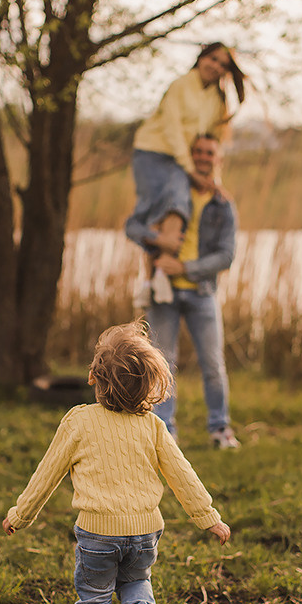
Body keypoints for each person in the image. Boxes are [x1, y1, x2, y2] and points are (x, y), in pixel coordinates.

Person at [2, 320, 231, 604]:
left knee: (93, 597)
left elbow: (47, 474)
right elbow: (182, 475)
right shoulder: (154, 426)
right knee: (137, 581)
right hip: (145, 531)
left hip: (97, 532)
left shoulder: (79, 420)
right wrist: (209, 518)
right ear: (149, 387)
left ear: (93, 377)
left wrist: (20, 515)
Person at [126, 133, 240, 449]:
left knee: (214, 365)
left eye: (209, 152)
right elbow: (132, 227)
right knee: (163, 364)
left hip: (202, 293)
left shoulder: (223, 204)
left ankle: (220, 429)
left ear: (218, 159)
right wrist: (157, 239)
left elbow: (226, 255)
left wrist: (186, 268)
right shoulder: (168, 194)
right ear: (190, 157)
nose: (204, 157)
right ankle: (165, 433)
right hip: (165, 294)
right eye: (198, 152)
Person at [125, 42, 245, 303]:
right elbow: (172, 130)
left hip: (181, 160)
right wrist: (189, 169)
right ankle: (149, 279)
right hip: (153, 153)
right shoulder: (180, 85)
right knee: (154, 212)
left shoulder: (216, 98)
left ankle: (159, 275)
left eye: (222, 65)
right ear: (201, 57)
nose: (215, 66)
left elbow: (210, 140)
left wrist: (214, 182)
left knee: (178, 207)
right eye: (212, 59)